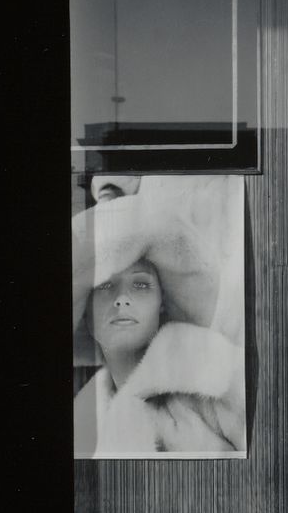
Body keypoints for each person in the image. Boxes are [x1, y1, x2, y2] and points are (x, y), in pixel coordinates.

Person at [72, 175, 245, 458]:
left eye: (140, 285)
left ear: (162, 302)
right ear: (86, 315)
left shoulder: (219, 378)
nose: (122, 298)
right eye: (104, 286)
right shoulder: (82, 423)